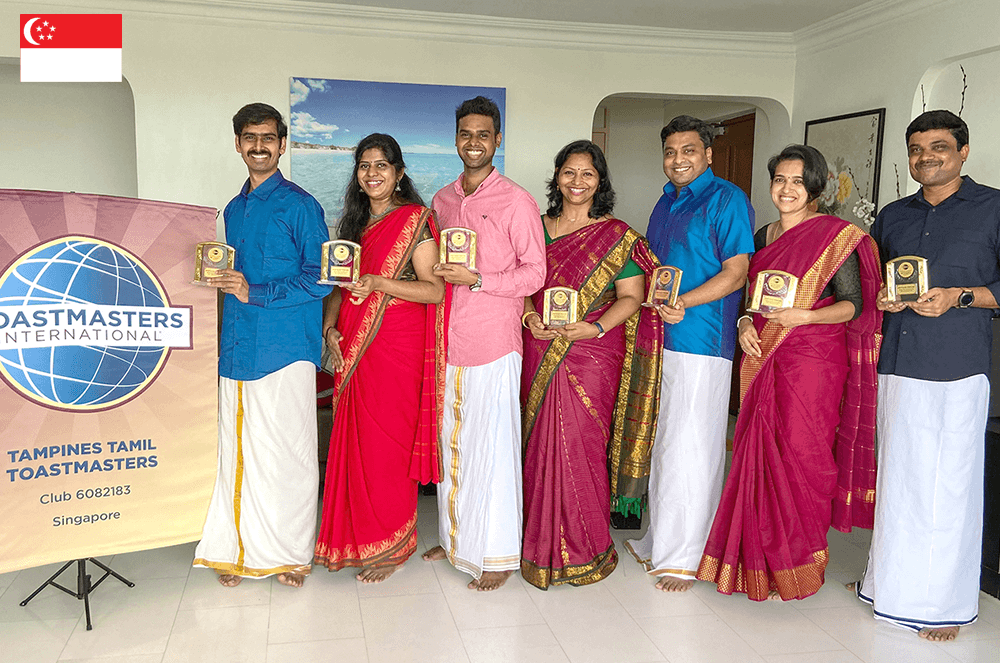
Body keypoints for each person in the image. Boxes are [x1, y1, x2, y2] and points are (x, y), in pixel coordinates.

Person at [696, 145, 882, 601]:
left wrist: (806, 317)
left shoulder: (838, 237)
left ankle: (798, 566)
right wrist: (742, 323)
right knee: (757, 452)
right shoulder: (761, 236)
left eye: (797, 181)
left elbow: (853, 305)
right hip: (762, 352)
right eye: (780, 179)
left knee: (804, 456)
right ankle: (754, 561)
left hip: (813, 360)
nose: (787, 189)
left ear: (815, 187)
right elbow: (749, 295)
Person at [855, 110, 1000, 641]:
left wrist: (960, 297)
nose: (925, 157)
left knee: (948, 485)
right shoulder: (893, 215)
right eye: (916, 149)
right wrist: (885, 301)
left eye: (938, 146)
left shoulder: (993, 208)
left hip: (957, 368)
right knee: (897, 478)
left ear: (963, 151)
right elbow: (873, 283)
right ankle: (886, 582)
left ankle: (942, 604)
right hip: (897, 363)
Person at [194, 102, 332, 588]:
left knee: (289, 454)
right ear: (237, 144)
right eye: (249, 137)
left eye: (268, 137)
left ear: (282, 143)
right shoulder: (233, 208)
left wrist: (257, 291)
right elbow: (231, 277)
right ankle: (239, 549)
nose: (259, 145)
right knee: (240, 452)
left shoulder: (301, 204)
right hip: (237, 346)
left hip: (285, 348)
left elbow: (322, 279)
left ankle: (292, 555)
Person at [520, 140, 663, 589]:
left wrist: (595, 329)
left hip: (592, 353)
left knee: (582, 446)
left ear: (600, 181)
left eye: (587, 174)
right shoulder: (535, 226)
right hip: (539, 344)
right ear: (556, 176)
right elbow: (521, 282)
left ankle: (585, 549)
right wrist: (528, 315)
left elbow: (632, 298)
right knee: (538, 444)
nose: (577, 182)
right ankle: (536, 546)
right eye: (569, 172)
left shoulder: (617, 236)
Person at [625, 115, 755, 592]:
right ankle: (662, 539)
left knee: (694, 447)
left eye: (688, 151)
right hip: (661, 338)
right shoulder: (666, 201)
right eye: (671, 151)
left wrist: (686, 302)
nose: (678, 160)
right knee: (665, 443)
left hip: (702, 340)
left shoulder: (727, 199)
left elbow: (736, 271)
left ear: (708, 155)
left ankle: (687, 556)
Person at [422, 96, 546, 591]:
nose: (473, 143)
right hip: (446, 341)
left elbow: (535, 272)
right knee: (452, 442)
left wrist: (477, 280)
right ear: (456, 140)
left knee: (492, 448)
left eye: (483, 135)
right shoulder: (442, 200)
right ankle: (456, 540)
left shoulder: (516, 201)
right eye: (465, 134)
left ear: (497, 140)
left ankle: (496, 553)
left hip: (494, 341)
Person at [313, 134, 448, 583]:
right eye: (364, 165)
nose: (372, 173)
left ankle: (391, 545)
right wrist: (331, 329)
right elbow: (336, 289)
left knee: (386, 444)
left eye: (382, 165)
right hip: (352, 344)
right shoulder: (351, 226)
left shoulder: (417, 221)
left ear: (399, 172)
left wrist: (379, 283)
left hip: (398, 348)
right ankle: (354, 537)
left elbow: (434, 290)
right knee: (353, 443)